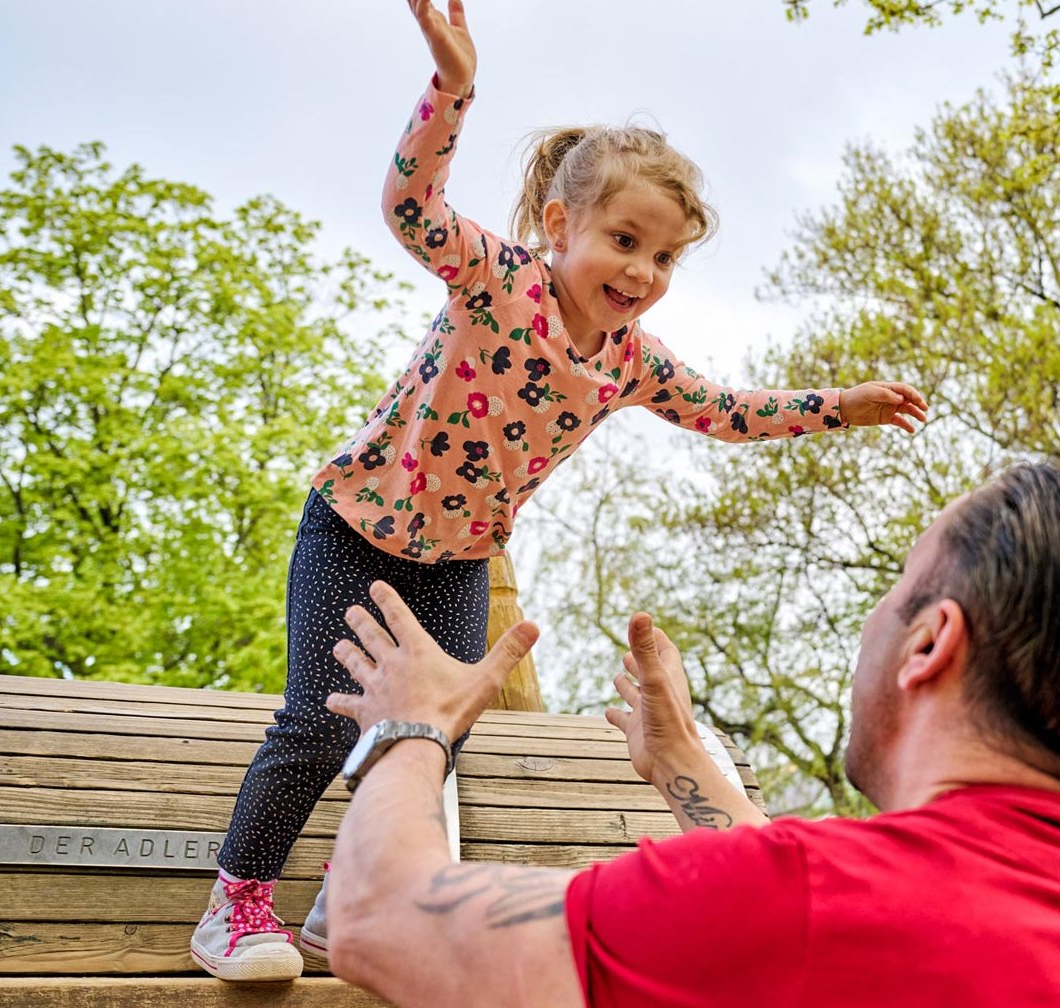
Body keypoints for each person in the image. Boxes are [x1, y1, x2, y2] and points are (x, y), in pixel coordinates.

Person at [190, 0, 929, 982]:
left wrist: (841, 405)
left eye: (664, 257)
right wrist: (452, 87)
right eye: (625, 241)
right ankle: (233, 908)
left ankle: (347, 898)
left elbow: (728, 410)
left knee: (429, 733)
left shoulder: (631, 363)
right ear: (557, 225)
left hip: (457, 561)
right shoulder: (498, 281)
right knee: (316, 722)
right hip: (356, 528)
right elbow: (412, 209)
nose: (643, 270)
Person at [321, 462, 1060, 1006]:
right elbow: (848, 926)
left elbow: (382, 920)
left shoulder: (798, 902)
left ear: (931, 641)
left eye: (894, 590)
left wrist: (412, 722)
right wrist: (687, 767)